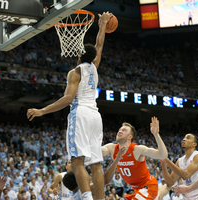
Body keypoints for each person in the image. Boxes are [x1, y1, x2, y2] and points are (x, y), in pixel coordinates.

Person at [26, 11, 114, 200]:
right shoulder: (94, 66)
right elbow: (99, 45)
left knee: (77, 162)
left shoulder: (75, 72)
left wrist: (42, 110)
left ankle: (87, 198)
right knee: (96, 163)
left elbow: (67, 99)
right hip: (95, 116)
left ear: (81, 54)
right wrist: (103, 25)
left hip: (81, 113)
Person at [102, 117, 168, 200]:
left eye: (124, 130)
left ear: (130, 137)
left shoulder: (137, 149)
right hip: (136, 189)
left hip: (148, 185)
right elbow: (96, 152)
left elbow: (163, 155)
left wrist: (156, 135)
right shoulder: (111, 148)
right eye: (120, 129)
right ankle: (158, 196)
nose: (120, 131)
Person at [62, 146, 127, 200]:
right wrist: (116, 159)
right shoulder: (83, 191)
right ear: (78, 180)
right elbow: (105, 180)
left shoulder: (71, 196)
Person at [160, 133, 198, 200]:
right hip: (187, 197)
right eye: (184, 137)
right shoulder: (180, 161)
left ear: (194, 144)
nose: (184, 139)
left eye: (188, 138)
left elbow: (186, 175)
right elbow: (170, 182)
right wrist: (163, 163)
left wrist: (167, 160)